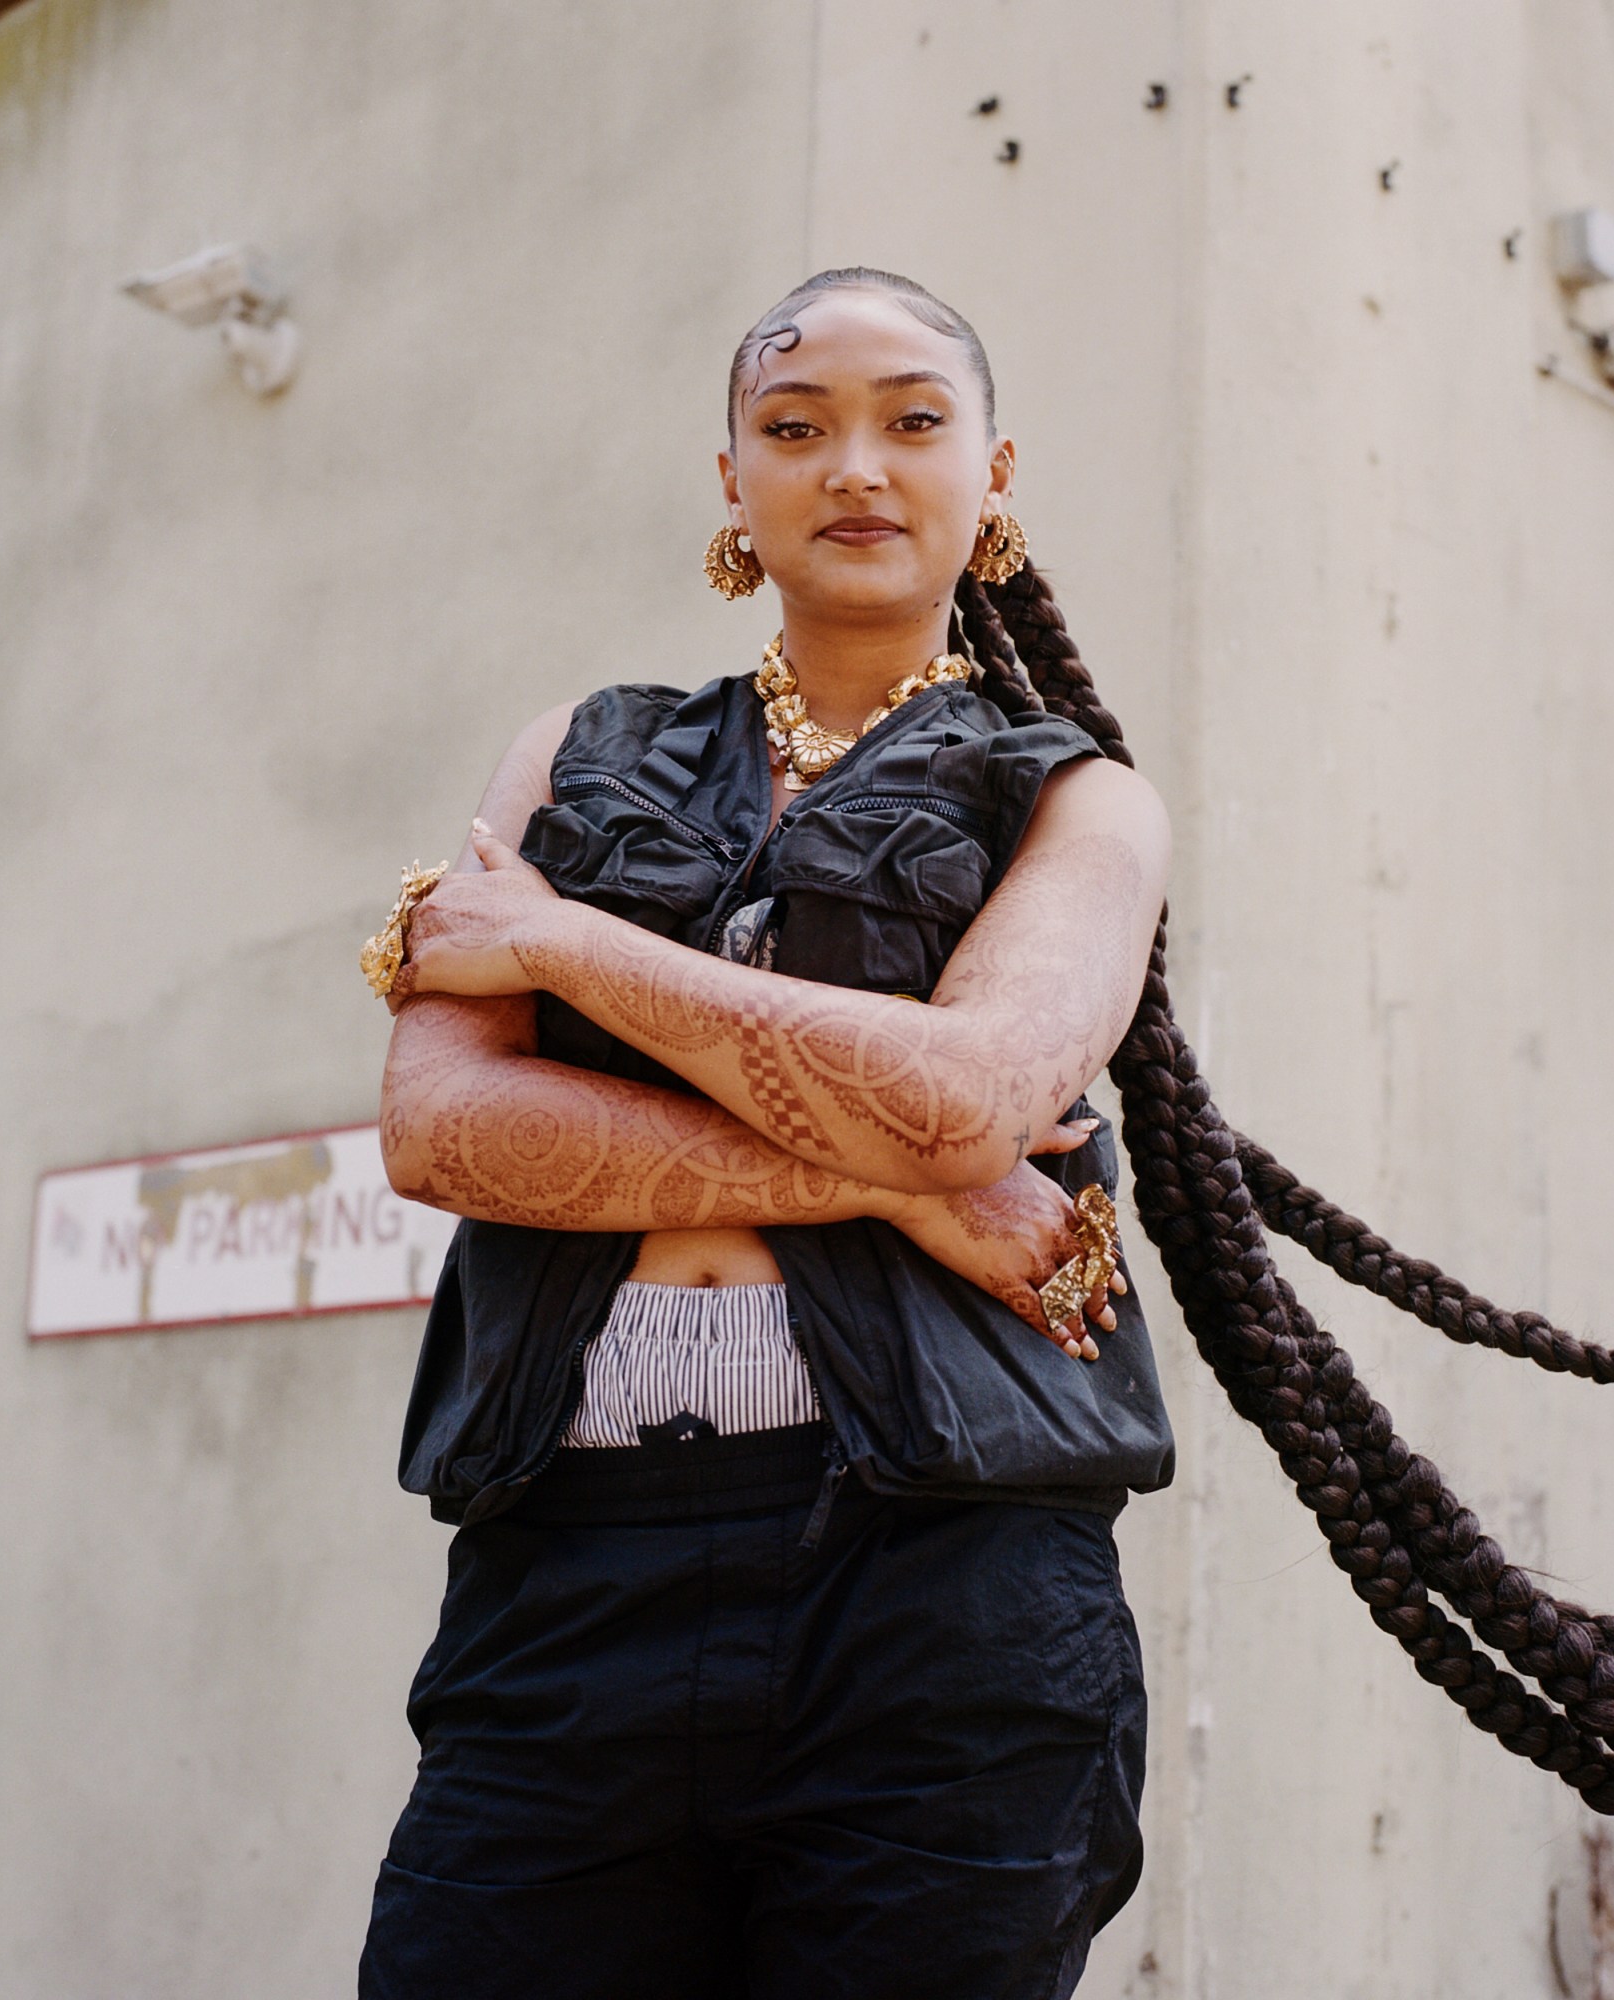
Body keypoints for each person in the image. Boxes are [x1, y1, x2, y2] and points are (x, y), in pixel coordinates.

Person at [357, 267, 1177, 2000]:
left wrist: (572, 945)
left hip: (948, 1580)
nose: (855, 464)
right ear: (732, 479)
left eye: (914, 422)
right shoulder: (580, 752)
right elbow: (442, 1131)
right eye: (795, 429)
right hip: (571, 1565)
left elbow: (972, 1097)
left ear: (994, 471)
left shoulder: (1077, 797)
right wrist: (916, 1196)